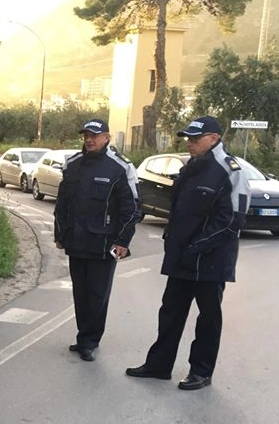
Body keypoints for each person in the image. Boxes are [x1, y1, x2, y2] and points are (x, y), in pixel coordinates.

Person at [126, 116, 251, 390]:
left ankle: (201, 372)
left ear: (214, 139)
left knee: (208, 318)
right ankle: (159, 365)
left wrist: (199, 246)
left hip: (211, 259)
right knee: (170, 312)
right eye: (188, 138)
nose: (189, 142)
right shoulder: (191, 167)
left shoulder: (230, 170)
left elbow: (233, 220)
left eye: (196, 138)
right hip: (182, 256)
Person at [54, 118, 140, 362]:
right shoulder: (73, 165)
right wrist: (60, 234)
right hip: (76, 242)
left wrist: (123, 241)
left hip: (104, 245)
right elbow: (62, 204)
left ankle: (91, 341)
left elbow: (132, 209)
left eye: (95, 135)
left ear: (107, 138)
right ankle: (83, 336)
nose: (89, 140)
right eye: (86, 135)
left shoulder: (119, 167)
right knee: (80, 294)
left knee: (97, 295)